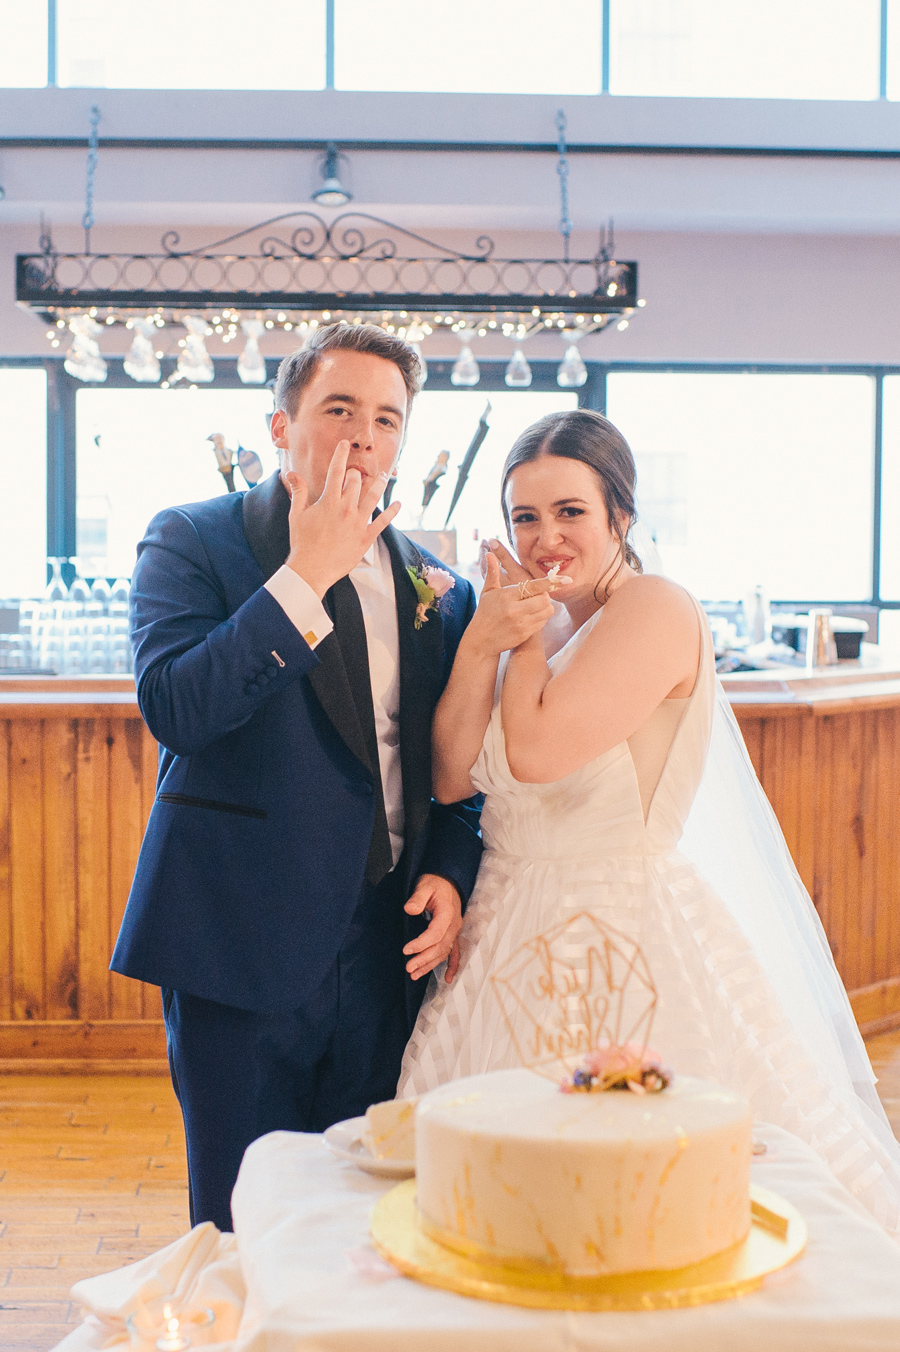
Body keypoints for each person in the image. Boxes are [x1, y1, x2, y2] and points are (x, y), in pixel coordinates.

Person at [399, 407, 900, 1236]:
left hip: (621, 927)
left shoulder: (656, 609)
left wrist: (510, 639)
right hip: (499, 924)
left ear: (620, 518)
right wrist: (482, 640)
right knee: (489, 1189)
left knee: (633, 1186)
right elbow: (453, 775)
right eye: (524, 516)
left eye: (570, 513)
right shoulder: (533, 618)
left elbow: (534, 749)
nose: (545, 538)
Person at [111, 323, 482, 1233]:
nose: (363, 437)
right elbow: (176, 709)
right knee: (240, 1223)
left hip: (386, 952)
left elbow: (452, 763)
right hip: (237, 942)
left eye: (386, 419)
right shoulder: (193, 540)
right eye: (339, 409)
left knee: (364, 1219)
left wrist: (451, 867)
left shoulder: (443, 588)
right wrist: (305, 576)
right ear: (281, 426)